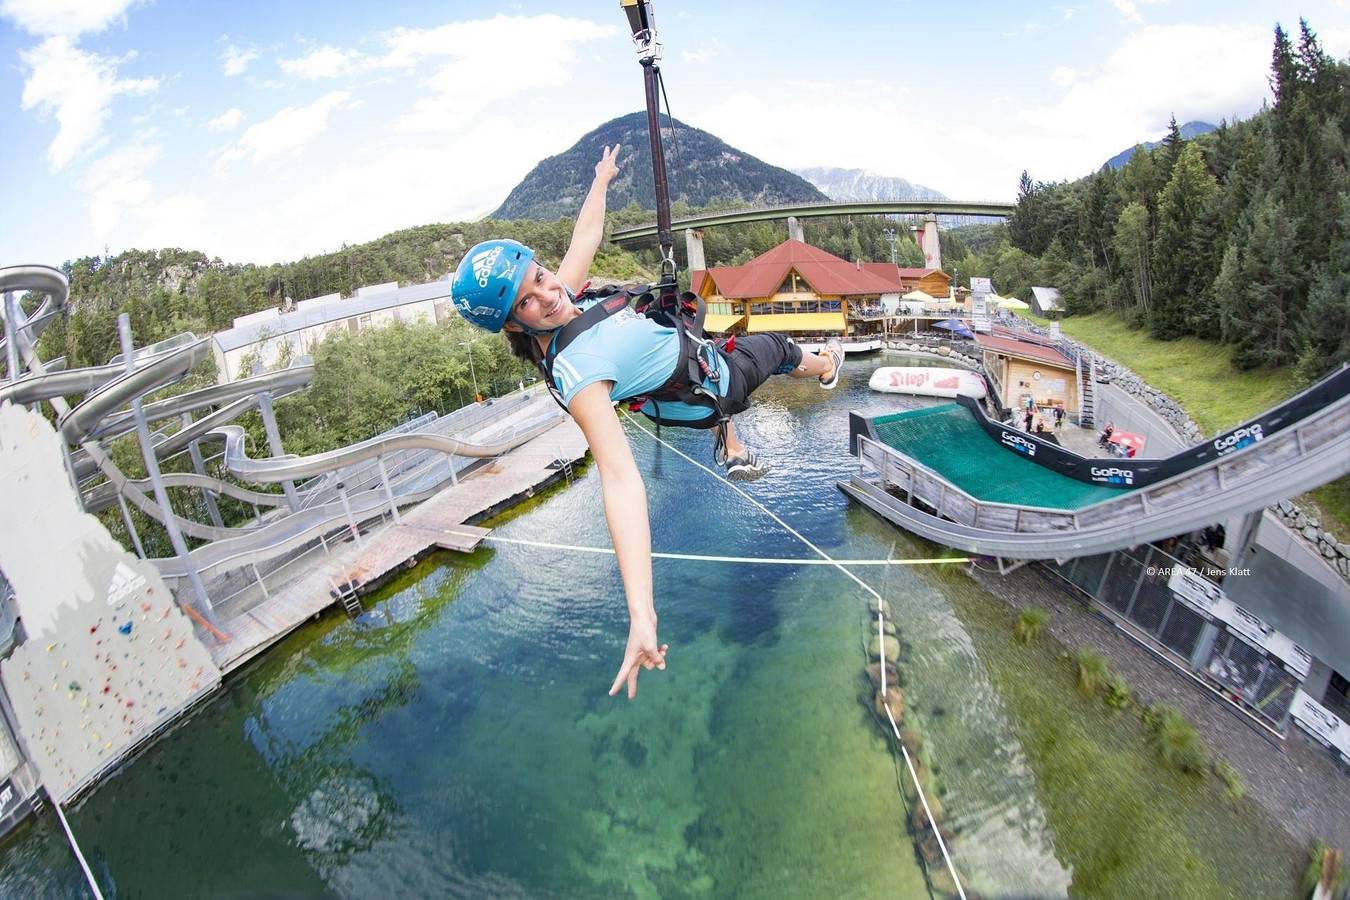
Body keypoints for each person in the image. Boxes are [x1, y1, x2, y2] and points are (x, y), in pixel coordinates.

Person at [449, 145, 842, 700]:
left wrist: (600, 180)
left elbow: (583, 240)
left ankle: (730, 437)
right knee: (777, 348)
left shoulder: (563, 303)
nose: (549, 292)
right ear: (514, 327)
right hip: (713, 379)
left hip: (686, 363)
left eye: (540, 276)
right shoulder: (580, 374)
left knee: (713, 336)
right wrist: (642, 614)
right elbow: (619, 482)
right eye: (530, 300)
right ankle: (825, 367)